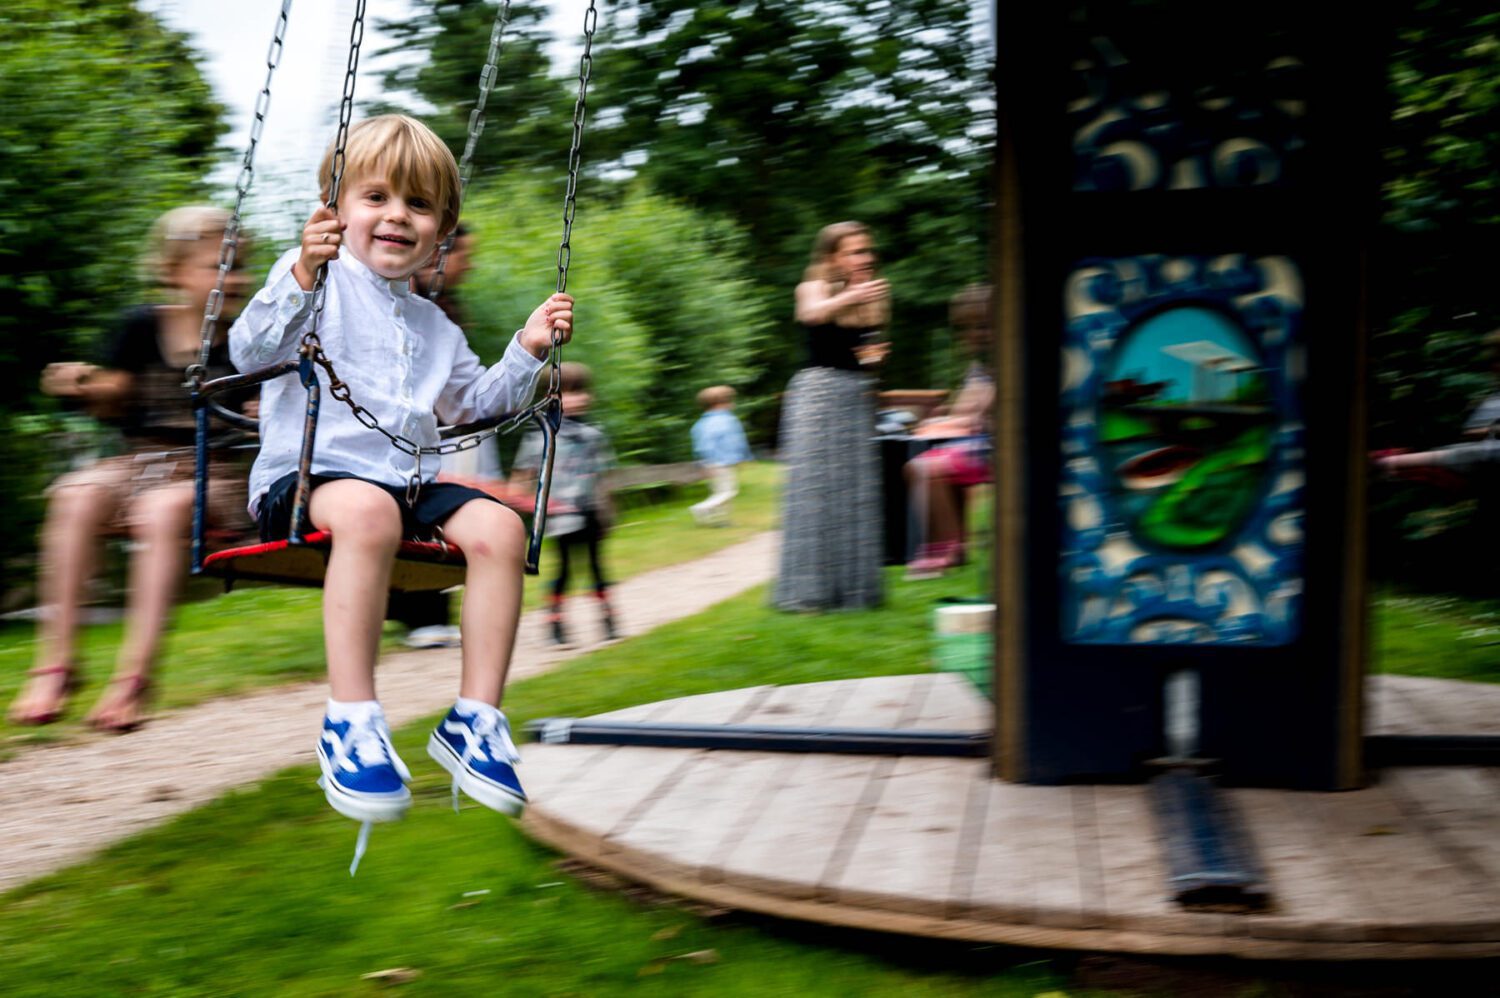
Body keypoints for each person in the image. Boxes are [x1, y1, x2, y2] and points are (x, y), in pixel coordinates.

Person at [229, 114, 573, 834]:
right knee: (368, 513)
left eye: (417, 205)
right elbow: (247, 349)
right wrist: (299, 271)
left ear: (441, 228)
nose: (396, 216)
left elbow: (473, 408)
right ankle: (351, 721)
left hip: (406, 485)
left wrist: (527, 347)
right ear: (335, 208)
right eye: (375, 197)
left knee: (500, 528)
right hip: (306, 482)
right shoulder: (313, 283)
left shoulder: (435, 327)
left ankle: (475, 721)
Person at [8, 206, 254, 732]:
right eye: (217, 265)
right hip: (137, 461)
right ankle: (57, 664)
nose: (234, 278)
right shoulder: (142, 326)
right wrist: (81, 384)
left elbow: (268, 408)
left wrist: (264, 410)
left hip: (215, 474)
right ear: (172, 270)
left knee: (161, 510)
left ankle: (134, 680)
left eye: (239, 266)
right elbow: (115, 396)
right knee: (74, 494)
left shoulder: (249, 337)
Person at [773, 221, 890, 611]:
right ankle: (808, 594)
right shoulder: (812, 287)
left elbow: (868, 359)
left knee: (855, 493)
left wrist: (876, 356)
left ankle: (854, 593)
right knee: (816, 495)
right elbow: (812, 315)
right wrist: (853, 296)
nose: (866, 257)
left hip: (854, 397)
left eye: (867, 250)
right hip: (817, 398)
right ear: (832, 257)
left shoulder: (874, 295)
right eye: (856, 251)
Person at [387, 221, 492, 650]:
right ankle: (419, 611)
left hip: (441, 427)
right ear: (439, 256)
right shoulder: (410, 300)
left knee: (444, 513)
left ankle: (426, 609)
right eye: (464, 254)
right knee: (419, 512)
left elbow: (463, 383)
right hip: (414, 431)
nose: (469, 264)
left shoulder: (444, 305)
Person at [512, 362, 617, 646]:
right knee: (565, 569)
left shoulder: (594, 434)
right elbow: (521, 479)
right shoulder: (540, 437)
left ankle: (608, 619)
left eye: (581, 391)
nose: (578, 398)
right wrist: (527, 507)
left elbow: (603, 477)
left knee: (597, 565)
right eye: (568, 392)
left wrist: (607, 510)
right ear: (550, 398)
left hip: (590, 511)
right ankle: (555, 624)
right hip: (561, 516)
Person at [904, 284, 995, 579]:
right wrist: (943, 419)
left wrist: (935, 425)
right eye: (967, 328)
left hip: (996, 449)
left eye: (980, 326)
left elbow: (971, 416)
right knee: (917, 467)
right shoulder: (979, 367)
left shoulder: (1000, 364)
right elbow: (963, 410)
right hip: (980, 443)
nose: (972, 335)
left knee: (927, 467)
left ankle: (948, 546)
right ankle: (944, 545)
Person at [690, 385, 753, 526]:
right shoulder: (726, 421)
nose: (732, 404)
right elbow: (736, 441)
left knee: (720, 492)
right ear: (719, 403)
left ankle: (723, 521)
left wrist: (703, 462)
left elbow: (700, 444)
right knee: (728, 492)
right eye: (729, 400)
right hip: (721, 462)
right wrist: (745, 457)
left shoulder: (702, 423)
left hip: (712, 461)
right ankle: (701, 509)